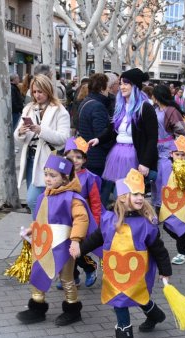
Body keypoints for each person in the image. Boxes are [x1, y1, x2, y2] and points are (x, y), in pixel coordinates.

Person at [75, 168, 172, 338]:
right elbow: (97, 238)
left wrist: (165, 271)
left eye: (142, 194)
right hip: (114, 270)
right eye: (135, 194)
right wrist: (80, 249)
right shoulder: (109, 219)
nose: (139, 198)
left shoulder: (146, 224)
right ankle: (155, 315)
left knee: (130, 297)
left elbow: (159, 249)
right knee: (122, 299)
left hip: (137, 271)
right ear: (121, 197)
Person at [16, 154, 97, 326]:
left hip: (63, 246)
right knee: (38, 272)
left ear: (64, 178)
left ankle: (72, 309)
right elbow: (40, 219)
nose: (48, 179)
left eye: (53, 176)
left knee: (66, 278)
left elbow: (81, 219)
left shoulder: (73, 198)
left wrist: (75, 240)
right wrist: (32, 229)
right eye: (46, 174)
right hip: (44, 244)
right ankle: (36, 308)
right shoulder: (43, 197)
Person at [89, 68, 158, 204]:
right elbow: (112, 130)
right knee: (120, 197)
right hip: (118, 154)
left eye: (126, 83)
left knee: (127, 196)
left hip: (135, 157)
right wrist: (99, 139)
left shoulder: (145, 107)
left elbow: (152, 138)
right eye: (120, 83)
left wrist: (145, 163)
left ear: (135, 86)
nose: (122, 87)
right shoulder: (120, 106)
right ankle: (122, 222)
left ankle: (132, 223)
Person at [14, 74, 71, 215]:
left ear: (48, 90)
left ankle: (40, 231)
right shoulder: (29, 108)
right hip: (30, 158)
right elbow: (18, 136)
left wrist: (41, 130)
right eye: (34, 92)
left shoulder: (59, 110)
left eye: (40, 91)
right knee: (39, 200)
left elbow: (63, 138)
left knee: (33, 200)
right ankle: (40, 231)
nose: (37, 95)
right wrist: (21, 132)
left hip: (48, 160)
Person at [54, 137, 103, 290]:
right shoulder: (60, 176)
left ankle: (89, 267)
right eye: (70, 156)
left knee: (78, 250)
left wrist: (95, 223)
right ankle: (71, 275)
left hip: (83, 220)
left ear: (84, 160)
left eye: (78, 157)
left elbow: (95, 202)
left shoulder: (89, 178)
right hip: (65, 219)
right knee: (65, 249)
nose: (74, 160)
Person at [158, 136, 185, 265]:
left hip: (184, 204)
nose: (180, 157)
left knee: (182, 227)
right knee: (167, 226)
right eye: (177, 154)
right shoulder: (165, 165)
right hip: (169, 202)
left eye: (182, 155)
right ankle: (181, 242)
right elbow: (158, 178)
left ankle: (183, 252)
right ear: (171, 154)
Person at [151, 84, 185, 209]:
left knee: (165, 177)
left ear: (157, 96)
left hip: (168, 148)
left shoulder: (172, 111)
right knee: (155, 180)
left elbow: (182, 132)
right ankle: (156, 204)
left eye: (153, 95)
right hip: (154, 148)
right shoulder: (153, 109)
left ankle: (165, 206)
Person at [75, 73, 111, 178]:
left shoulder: (85, 102)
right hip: (96, 158)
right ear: (101, 88)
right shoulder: (98, 106)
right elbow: (100, 134)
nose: (108, 90)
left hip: (86, 154)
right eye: (107, 87)